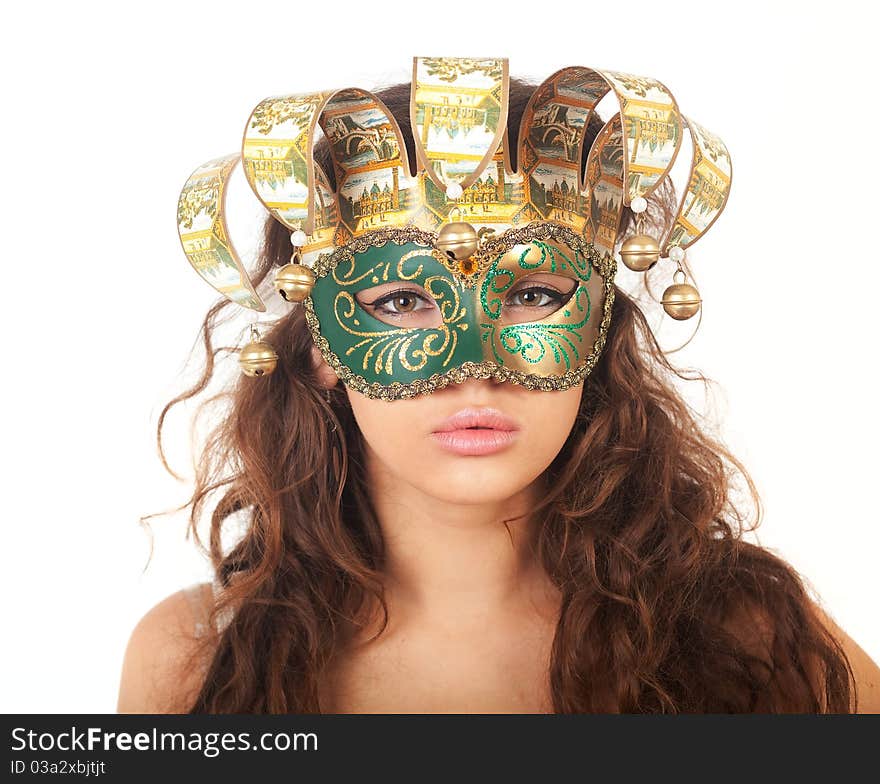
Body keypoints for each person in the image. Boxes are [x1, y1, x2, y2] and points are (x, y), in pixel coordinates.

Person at [118, 58, 880, 714]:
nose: (476, 365)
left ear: (600, 324)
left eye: (534, 294)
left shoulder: (748, 636)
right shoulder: (192, 660)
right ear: (319, 345)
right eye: (402, 301)